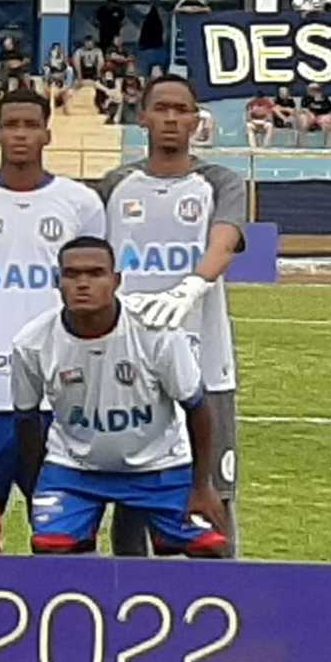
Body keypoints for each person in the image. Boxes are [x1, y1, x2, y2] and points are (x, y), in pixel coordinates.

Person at [0, 87, 106, 530]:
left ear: (48, 133)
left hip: (60, 393)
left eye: (31, 125)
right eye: (12, 125)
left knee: (60, 530)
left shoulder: (81, 203)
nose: (21, 135)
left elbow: (95, 300)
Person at [101, 74, 245, 558]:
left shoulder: (219, 181)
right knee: (132, 496)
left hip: (205, 361)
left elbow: (224, 240)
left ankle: (227, 596)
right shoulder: (117, 185)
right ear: (142, 115)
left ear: (195, 119)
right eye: (160, 108)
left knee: (213, 494)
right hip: (129, 364)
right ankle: (129, 597)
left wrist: (193, 285)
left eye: (180, 109)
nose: (170, 118)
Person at [13, 236, 228, 557]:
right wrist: (36, 490)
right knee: (50, 548)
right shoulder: (31, 343)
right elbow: (27, 420)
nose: (82, 284)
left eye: (95, 274)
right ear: (58, 282)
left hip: (161, 467)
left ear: (116, 281)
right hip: (75, 470)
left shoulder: (156, 331)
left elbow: (197, 407)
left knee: (211, 549)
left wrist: (202, 486)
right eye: (72, 275)